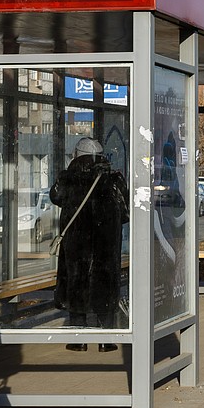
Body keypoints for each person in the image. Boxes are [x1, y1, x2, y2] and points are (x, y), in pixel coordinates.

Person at [50, 137, 129, 350]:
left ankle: (78, 340)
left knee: (76, 280)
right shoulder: (114, 178)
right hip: (106, 242)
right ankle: (106, 339)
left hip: (76, 243)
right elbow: (125, 212)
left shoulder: (68, 178)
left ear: (77, 155)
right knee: (106, 281)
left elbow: (55, 197)